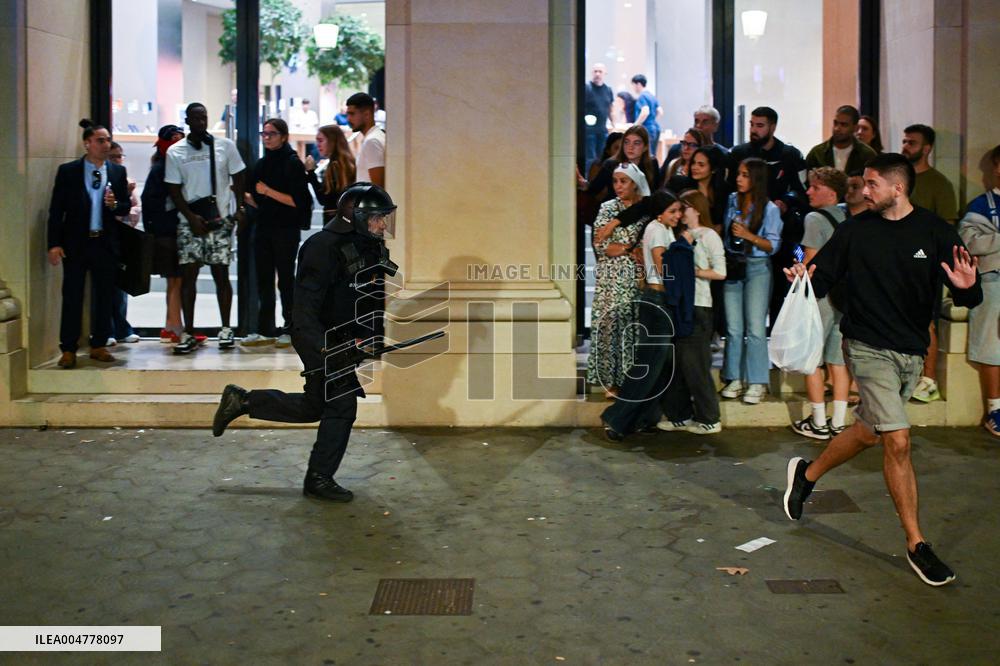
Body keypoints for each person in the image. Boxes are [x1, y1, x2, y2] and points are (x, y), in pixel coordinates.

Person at [782, 152, 982, 587]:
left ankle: (806, 475)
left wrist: (968, 289)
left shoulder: (934, 230)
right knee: (898, 440)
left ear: (898, 188)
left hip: (910, 352)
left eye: (872, 184)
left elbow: (970, 292)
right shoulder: (855, 230)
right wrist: (801, 274)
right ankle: (916, 543)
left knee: (868, 433)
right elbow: (820, 275)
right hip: (866, 348)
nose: (863, 190)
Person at [211, 183, 399, 502]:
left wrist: (371, 338)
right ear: (355, 216)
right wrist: (325, 348)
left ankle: (243, 401)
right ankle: (318, 478)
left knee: (315, 406)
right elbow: (304, 310)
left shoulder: (369, 246)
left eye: (384, 218)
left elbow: (368, 299)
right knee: (342, 404)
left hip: (342, 338)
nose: (383, 225)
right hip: (318, 337)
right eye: (377, 218)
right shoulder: (321, 247)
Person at [602, 190, 695, 439]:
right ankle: (616, 419)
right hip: (657, 302)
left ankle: (643, 419)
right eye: (672, 211)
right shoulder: (657, 230)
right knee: (649, 367)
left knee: (659, 367)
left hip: (657, 300)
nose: (677, 215)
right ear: (659, 213)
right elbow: (663, 267)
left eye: (679, 210)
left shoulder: (662, 229)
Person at [47, 119, 132, 368]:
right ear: (87, 144)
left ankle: (99, 344)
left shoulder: (117, 172)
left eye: (108, 140)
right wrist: (54, 243)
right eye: (100, 140)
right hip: (76, 243)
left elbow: (125, 206)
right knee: (72, 295)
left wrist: (115, 204)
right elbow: (56, 210)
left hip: (104, 242)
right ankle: (68, 348)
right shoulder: (69, 171)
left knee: (104, 295)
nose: (106, 145)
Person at [165, 102, 247, 355]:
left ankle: (226, 328)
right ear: (187, 121)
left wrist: (239, 208)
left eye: (204, 117)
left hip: (219, 220)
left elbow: (239, 177)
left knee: (221, 275)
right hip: (189, 223)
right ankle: (188, 331)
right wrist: (190, 218)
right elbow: (174, 190)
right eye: (196, 118)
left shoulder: (224, 146)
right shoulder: (176, 151)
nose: (201, 122)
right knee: (188, 277)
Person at [727, 107, 808, 331]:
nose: (754, 130)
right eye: (752, 124)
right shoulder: (738, 154)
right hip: (744, 237)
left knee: (780, 288)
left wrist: (787, 202)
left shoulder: (790, 155)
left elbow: (803, 191)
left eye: (760, 125)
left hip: (780, 232)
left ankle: (776, 333)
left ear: (773, 127)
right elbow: (728, 190)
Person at [658, 189, 726, 434]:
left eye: (683, 207)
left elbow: (721, 272)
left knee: (696, 365)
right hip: (682, 305)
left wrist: (693, 272)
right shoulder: (681, 235)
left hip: (699, 305)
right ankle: (681, 415)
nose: (680, 213)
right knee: (680, 365)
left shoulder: (709, 235)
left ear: (696, 209)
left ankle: (710, 418)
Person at [900, 124, 959, 403]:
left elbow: (947, 227)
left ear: (926, 148)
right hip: (894, 262)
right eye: (904, 141)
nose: (905, 146)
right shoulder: (900, 180)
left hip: (924, 265)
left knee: (925, 322)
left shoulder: (939, 184)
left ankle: (929, 379)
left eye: (911, 142)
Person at [791, 168, 851, 440]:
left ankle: (818, 422)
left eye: (815, 187)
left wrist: (797, 271)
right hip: (845, 297)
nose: (808, 192)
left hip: (821, 296)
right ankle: (838, 422)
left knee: (812, 359)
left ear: (831, 192)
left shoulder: (814, 218)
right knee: (838, 361)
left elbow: (811, 262)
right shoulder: (849, 217)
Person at [242, 118, 312, 349]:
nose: (267, 138)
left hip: (285, 229)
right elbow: (255, 196)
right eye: (264, 134)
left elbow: (298, 201)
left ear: (283, 136)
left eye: (271, 134)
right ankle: (265, 329)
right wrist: (248, 197)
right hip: (264, 227)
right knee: (264, 279)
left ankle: (290, 328)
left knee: (285, 279)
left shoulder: (292, 163)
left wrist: (267, 191)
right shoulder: (262, 163)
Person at [720, 158, 783, 405]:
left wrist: (748, 235)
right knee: (733, 328)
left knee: (755, 328)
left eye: (745, 175)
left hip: (758, 268)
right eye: (738, 174)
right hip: (734, 266)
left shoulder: (770, 209)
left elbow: (773, 246)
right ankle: (734, 377)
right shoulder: (732, 200)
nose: (739, 179)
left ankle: (757, 381)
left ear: (756, 179)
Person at [586, 164, 649, 399]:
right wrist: (628, 248)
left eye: (624, 181)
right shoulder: (607, 208)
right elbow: (601, 244)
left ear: (634, 183)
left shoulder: (644, 209)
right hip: (611, 278)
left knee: (633, 327)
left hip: (637, 276)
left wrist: (630, 250)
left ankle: (631, 381)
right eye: (615, 181)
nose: (618, 186)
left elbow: (647, 244)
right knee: (610, 327)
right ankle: (611, 381)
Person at [958, 144, 1000, 437]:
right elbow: (969, 241)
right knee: (992, 346)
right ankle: (995, 410)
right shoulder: (982, 205)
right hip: (993, 282)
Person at [141, 124, 188, 345]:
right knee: (176, 279)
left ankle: (170, 326)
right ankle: (176, 328)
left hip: (169, 230)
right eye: (175, 139)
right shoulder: (162, 169)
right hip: (168, 232)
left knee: (175, 280)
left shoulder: (167, 166)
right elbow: (151, 202)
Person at [101, 140, 141, 346]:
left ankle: (121, 328)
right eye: (113, 157)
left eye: (120, 156)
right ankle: (106, 330)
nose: (118, 160)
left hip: (123, 237)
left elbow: (134, 209)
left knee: (121, 286)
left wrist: (123, 199)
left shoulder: (125, 180)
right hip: (104, 237)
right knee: (104, 287)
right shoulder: (101, 178)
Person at [579, 125, 659, 206]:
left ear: (645, 147)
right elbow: (594, 189)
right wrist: (581, 181)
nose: (630, 147)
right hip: (615, 208)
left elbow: (656, 192)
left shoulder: (652, 162)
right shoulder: (611, 164)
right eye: (626, 142)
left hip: (643, 209)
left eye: (636, 143)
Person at [305, 125, 357, 224]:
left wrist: (311, 173)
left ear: (332, 141)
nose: (317, 145)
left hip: (335, 223)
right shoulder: (345, 162)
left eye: (320, 141)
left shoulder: (335, 166)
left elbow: (324, 199)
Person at [806, 105, 877, 174]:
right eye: (835, 123)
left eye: (844, 125)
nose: (837, 128)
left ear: (855, 128)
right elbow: (806, 179)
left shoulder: (867, 155)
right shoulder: (817, 153)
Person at [664, 105, 731, 166]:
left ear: (715, 126)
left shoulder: (722, 154)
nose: (699, 126)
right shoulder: (677, 150)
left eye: (705, 122)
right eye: (696, 121)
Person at [346, 92, 385, 188]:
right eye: (348, 114)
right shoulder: (375, 136)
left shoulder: (372, 141)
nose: (348, 119)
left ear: (367, 114)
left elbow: (378, 187)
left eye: (352, 114)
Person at [583, 63, 615, 172]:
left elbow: (610, 109)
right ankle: (588, 179)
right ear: (591, 73)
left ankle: (600, 179)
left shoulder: (608, 90)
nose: (597, 74)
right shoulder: (586, 88)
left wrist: (614, 125)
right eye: (595, 71)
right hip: (589, 131)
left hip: (602, 130)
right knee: (590, 158)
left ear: (605, 73)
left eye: (600, 71)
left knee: (603, 158)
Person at [630, 75, 662, 156]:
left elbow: (645, 112)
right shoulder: (651, 96)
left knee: (646, 155)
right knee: (652, 154)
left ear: (638, 84)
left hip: (646, 129)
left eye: (633, 85)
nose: (633, 88)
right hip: (655, 128)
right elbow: (660, 111)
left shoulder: (642, 96)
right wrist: (652, 120)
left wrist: (635, 125)